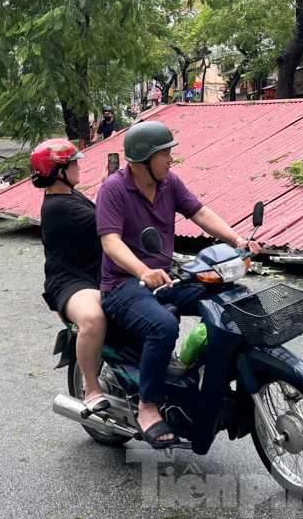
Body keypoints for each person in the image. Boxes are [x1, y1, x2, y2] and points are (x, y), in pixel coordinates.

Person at [96, 121, 260, 449]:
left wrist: (238, 239)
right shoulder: (113, 189)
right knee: (163, 326)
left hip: (165, 278)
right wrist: (143, 270)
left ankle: (209, 377)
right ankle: (148, 406)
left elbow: (199, 213)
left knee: (229, 297)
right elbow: (111, 242)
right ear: (144, 159)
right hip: (122, 285)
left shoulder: (169, 182)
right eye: (165, 153)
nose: (171, 158)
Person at [31, 138, 109, 414]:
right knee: (94, 317)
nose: (78, 166)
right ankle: (91, 387)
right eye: (72, 162)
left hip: (97, 271)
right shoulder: (58, 207)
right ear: (58, 170)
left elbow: (98, 216)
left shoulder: (69, 194)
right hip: (71, 281)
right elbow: (107, 220)